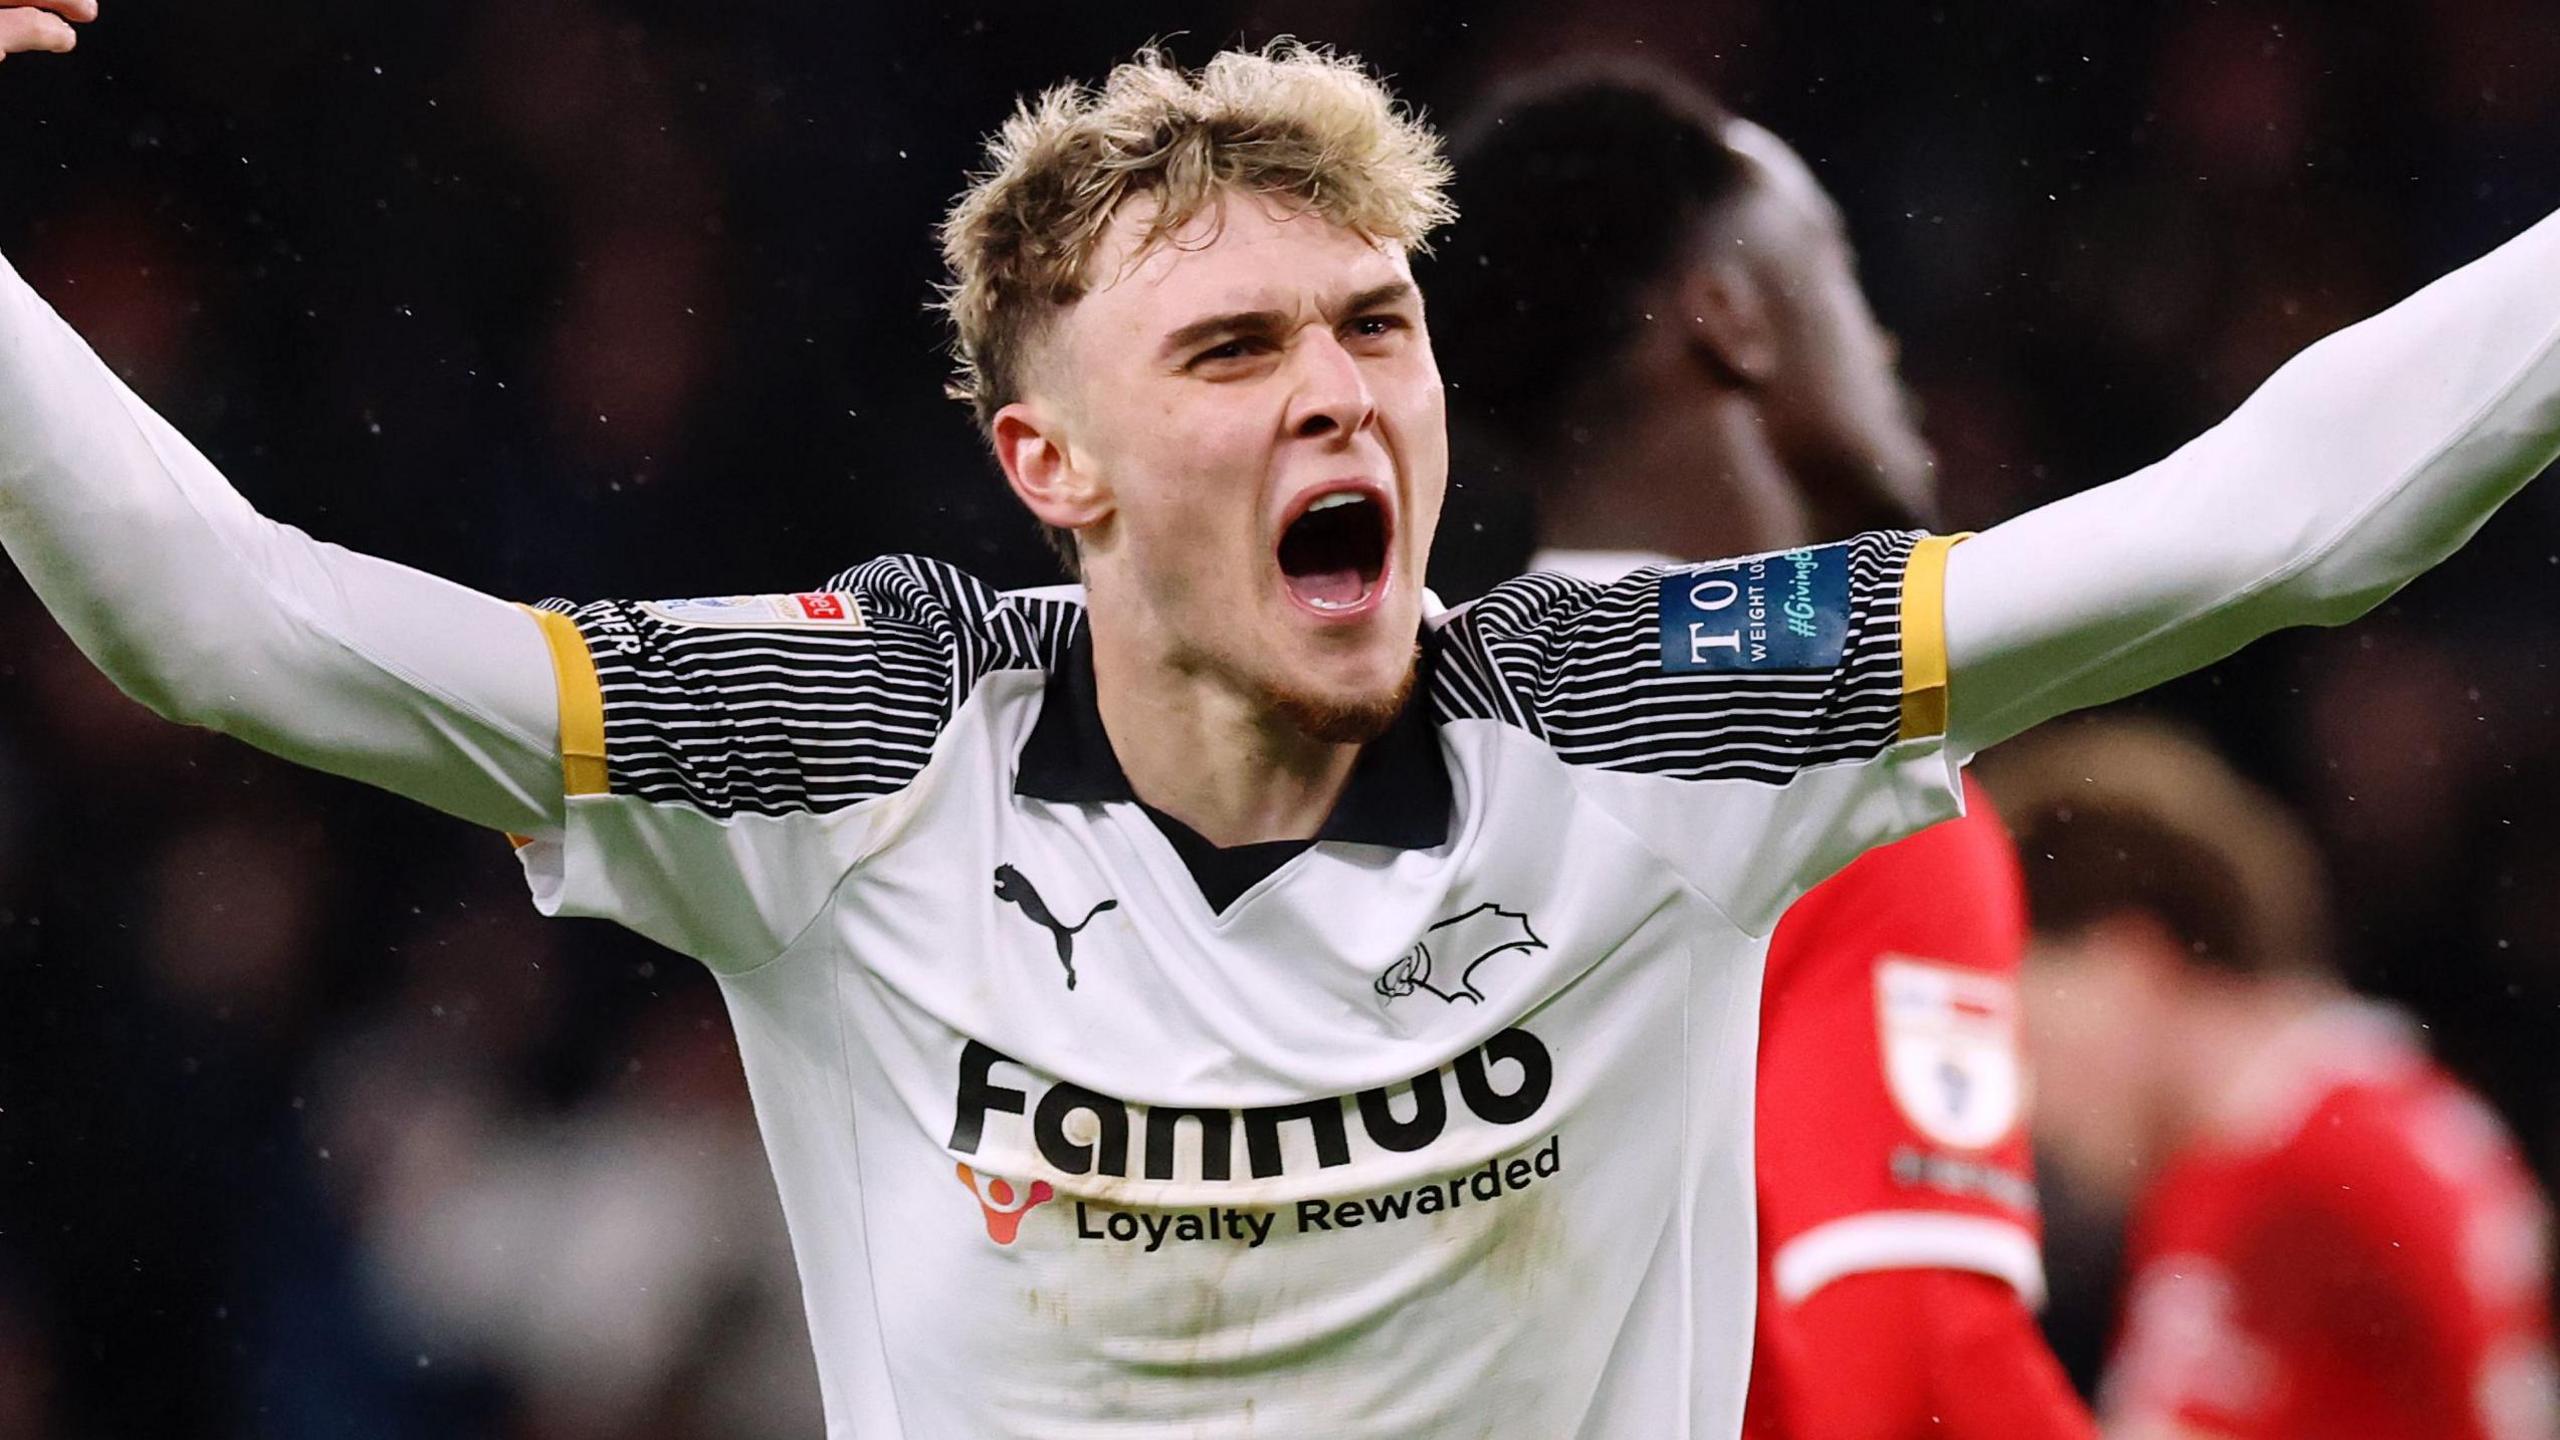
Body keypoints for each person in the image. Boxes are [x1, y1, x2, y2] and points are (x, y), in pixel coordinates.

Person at [6, 11, 2560, 1435]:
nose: (1339, 399)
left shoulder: (1647, 708)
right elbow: (217, 616)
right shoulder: (854, 733)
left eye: (1377, 331)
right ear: (1055, 467)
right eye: (1232, 349)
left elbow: (2283, 513)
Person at [1427, 64, 2094, 1438]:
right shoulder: (1839, 758)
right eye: (1838, 271)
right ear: (1731, 321)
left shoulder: (1403, 747)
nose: (1889, 345)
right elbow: (1913, 1354)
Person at [1984, 719, 2559, 1440]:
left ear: (2128, 964)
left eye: (2029, 1040)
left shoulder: (2268, 1174)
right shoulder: (2392, 1106)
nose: (2028, 1105)